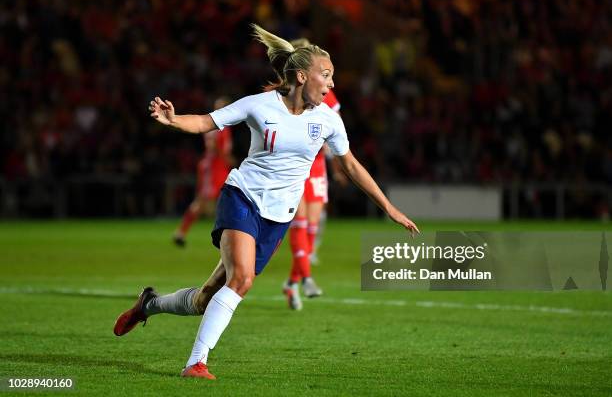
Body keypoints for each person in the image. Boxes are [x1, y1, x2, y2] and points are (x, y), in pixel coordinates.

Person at [113, 23, 419, 380]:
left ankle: (149, 304)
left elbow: (351, 165)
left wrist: (389, 207)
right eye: (326, 75)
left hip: (278, 217)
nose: (332, 84)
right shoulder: (260, 105)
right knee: (242, 279)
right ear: (302, 76)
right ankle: (196, 363)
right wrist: (172, 119)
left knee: (205, 299)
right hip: (242, 196)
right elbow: (206, 122)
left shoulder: (328, 120)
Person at [282, 86, 346, 310]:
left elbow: (336, 129)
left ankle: (292, 283)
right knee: (299, 223)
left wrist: (337, 166)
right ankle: (307, 279)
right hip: (296, 163)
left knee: (311, 229)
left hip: (318, 166)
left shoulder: (327, 93)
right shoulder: (291, 90)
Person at [173, 97, 234, 247]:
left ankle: (230, 232)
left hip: (215, 166)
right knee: (204, 200)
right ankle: (181, 232)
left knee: (228, 196)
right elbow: (216, 148)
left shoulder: (215, 123)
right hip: (214, 167)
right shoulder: (221, 127)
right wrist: (227, 159)